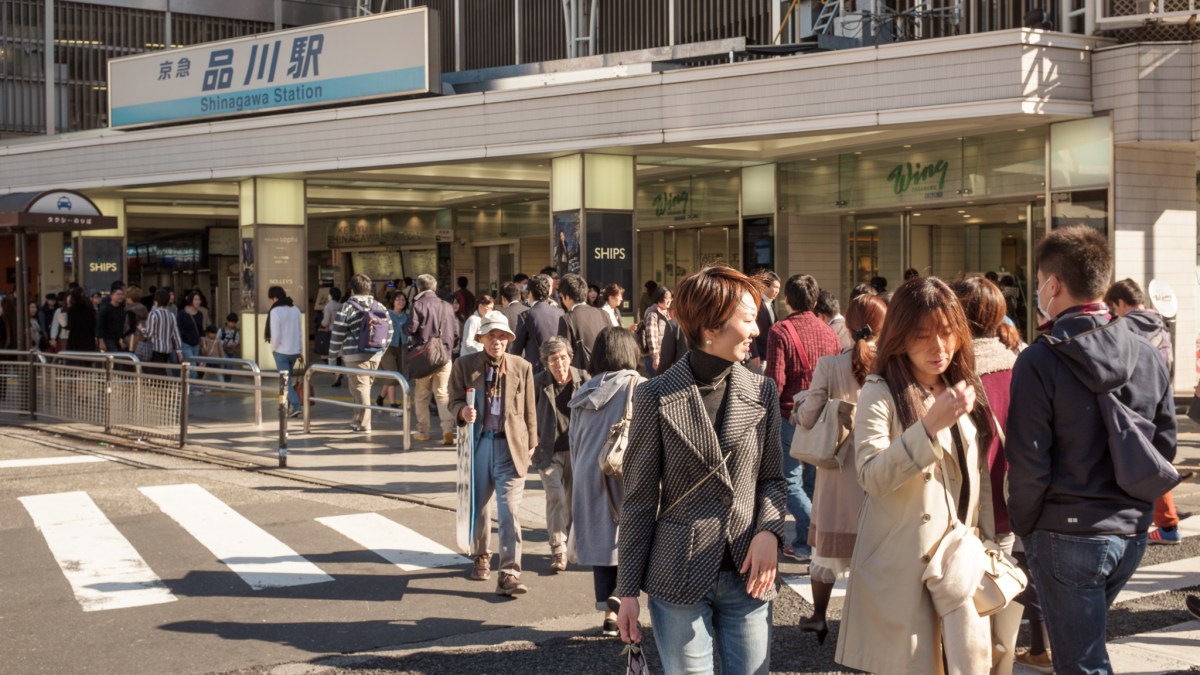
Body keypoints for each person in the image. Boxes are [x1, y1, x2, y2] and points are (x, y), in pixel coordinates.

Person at [1007, 226, 1176, 674]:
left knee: (1081, 662)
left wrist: (1024, 526)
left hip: (1066, 531)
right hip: (1130, 531)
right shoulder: (1146, 353)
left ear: (1053, 285)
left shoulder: (1040, 359)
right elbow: (1164, 443)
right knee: (1087, 650)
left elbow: (1028, 462)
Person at [615, 265, 788, 675]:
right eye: (749, 320)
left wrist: (769, 532)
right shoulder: (655, 394)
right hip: (676, 574)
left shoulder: (762, 390)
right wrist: (627, 593)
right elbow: (639, 499)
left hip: (749, 571)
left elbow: (772, 478)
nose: (757, 331)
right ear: (711, 327)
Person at [835, 276, 995, 674]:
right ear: (900, 337)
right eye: (923, 336)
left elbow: (978, 477)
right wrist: (927, 427)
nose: (938, 347)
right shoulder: (880, 391)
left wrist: (989, 541)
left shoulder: (961, 387)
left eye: (946, 333)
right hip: (902, 568)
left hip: (957, 564)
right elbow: (871, 475)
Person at [791, 293, 886, 645]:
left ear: (846, 324)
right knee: (876, 548)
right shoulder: (894, 364)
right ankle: (869, 626)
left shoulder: (829, 366)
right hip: (880, 469)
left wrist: (797, 411)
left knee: (827, 552)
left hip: (838, 470)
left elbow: (809, 415)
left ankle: (818, 617)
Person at [951, 275, 1024, 674]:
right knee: (1003, 585)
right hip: (1012, 498)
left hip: (965, 507)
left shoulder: (955, 371)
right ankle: (1003, 663)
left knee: (962, 603)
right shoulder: (1021, 363)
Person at [447, 311, 537, 596]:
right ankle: (481, 555)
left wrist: (532, 442)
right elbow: (452, 400)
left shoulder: (522, 366)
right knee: (480, 506)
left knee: (509, 510)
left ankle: (509, 572)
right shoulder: (464, 365)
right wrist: (462, 410)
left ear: (509, 340)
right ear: (481, 338)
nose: (496, 341)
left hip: (511, 446)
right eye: (491, 336)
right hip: (479, 443)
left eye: (501, 337)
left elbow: (530, 410)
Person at [568, 327, 644, 637]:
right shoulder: (637, 386)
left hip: (588, 472)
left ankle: (611, 613)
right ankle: (622, 594)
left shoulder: (583, 390)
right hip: (621, 470)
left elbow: (574, 439)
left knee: (604, 538)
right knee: (629, 534)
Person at [765, 274, 841, 562]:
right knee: (811, 482)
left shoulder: (780, 331)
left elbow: (775, 381)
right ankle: (806, 544)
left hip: (790, 415)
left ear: (787, 300)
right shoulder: (829, 333)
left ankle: (814, 537)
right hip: (822, 417)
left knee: (789, 481)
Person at [1105, 277, 1182, 546]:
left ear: (1122, 303)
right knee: (1156, 459)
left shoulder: (1123, 327)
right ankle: (1166, 523)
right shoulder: (1162, 323)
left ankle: (1167, 523)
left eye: (1114, 307)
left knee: (1138, 462)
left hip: (1132, 401)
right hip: (1159, 395)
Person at [532, 336, 588, 576]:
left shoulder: (584, 379)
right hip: (548, 451)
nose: (559, 364)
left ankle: (573, 543)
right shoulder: (538, 383)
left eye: (563, 358)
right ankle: (558, 548)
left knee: (574, 500)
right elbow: (527, 413)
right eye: (553, 360)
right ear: (546, 362)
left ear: (570, 358)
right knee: (555, 496)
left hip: (577, 450)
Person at [330, 274, 393, 433]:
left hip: (354, 355)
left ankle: (365, 424)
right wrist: (381, 351)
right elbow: (390, 330)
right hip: (375, 354)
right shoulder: (380, 306)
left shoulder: (347, 307)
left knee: (360, 388)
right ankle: (357, 420)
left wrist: (332, 359)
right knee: (359, 387)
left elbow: (337, 335)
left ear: (352, 290)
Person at [406, 274, 459, 444]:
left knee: (421, 395)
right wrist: (447, 349)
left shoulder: (418, 304)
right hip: (444, 356)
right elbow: (456, 333)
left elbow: (411, 328)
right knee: (442, 393)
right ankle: (447, 430)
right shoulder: (446, 306)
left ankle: (423, 431)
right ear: (434, 287)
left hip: (425, 357)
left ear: (418, 287)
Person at [511, 274, 563, 373]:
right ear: (549, 292)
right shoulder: (560, 313)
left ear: (530, 293)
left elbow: (516, 349)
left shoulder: (526, 315)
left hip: (535, 370)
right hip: (559, 367)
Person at [557, 274, 609, 372]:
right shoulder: (604, 314)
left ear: (566, 297)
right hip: (607, 372)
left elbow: (564, 353)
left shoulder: (567, 319)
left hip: (583, 376)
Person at [265, 286, 304, 417]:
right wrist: (300, 350)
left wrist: (273, 348)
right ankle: (283, 406)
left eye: (272, 299)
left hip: (281, 351)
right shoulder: (296, 310)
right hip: (294, 351)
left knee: (285, 381)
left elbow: (275, 335)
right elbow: (299, 333)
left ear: (274, 298)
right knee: (286, 380)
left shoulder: (275, 311)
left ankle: (297, 406)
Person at [377, 291, 409, 411]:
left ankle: (380, 399)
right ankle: (393, 406)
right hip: (387, 349)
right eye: (398, 299)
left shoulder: (407, 316)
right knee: (393, 376)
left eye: (403, 300)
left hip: (402, 347)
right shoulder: (386, 315)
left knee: (395, 376)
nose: (401, 302)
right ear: (393, 302)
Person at [141, 288, 182, 365]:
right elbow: (176, 334)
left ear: (156, 301)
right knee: (161, 370)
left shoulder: (153, 314)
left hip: (156, 348)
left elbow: (149, 334)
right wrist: (179, 351)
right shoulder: (172, 315)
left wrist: (141, 329)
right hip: (168, 349)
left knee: (158, 373)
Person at [749, 270, 780, 369]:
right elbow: (750, 330)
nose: (777, 291)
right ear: (765, 286)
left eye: (779, 288)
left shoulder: (770, 304)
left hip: (770, 355)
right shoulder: (756, 303)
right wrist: (754, 353)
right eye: (775, 287)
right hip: (759, 356)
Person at [640, 286, 672, 375]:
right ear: (659, 298)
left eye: (671, 298)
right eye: (666, 298)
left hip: (663, 356)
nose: (669, 301)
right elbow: (651, 336)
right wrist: (655, 357)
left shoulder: (665, 312)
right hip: (655, 358)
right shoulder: (653, 313)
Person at [320, 287, 345, 387]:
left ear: (331, 295)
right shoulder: (342, 306)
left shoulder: (328, 306)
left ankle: (337, 373)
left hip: (331, 333)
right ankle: (337, 376)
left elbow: (325, 322)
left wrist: (321, 324)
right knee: (338, 356)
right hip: (342, 333)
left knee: (328, 356)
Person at [177, 291, 205, 375]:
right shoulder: (182, 313)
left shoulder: (200, 314)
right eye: (195, 299)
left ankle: (189, 386)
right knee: (192, 367)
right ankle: (193, 387)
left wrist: (203, 344)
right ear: (190, 300)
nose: (198, 301)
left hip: (196, 344)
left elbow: (201, 330)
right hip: (185, 344)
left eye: (199, 299)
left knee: (193, 366)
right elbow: (178, 329)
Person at [96, 286, 127, 353]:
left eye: (122, 294)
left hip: (119, 339)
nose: (120, 296)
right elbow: (100, 325)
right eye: (118, 294)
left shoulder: (123, 309)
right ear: (111, 296)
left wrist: (121, 338)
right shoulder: (105, 308)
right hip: (108, 339)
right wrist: (101, 341)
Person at [67, 286, 98, 352]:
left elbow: (70, 324)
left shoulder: (72, 309)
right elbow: (94, 322)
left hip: (75, 338)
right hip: (88, 336)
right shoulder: (89, 308)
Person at [216, 313, 240, 382]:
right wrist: (225, 343)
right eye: (231, 322)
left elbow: (237, 340)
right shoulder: (222, 330)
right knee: (226, 365)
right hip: (223, 350)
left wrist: (234, 343)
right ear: (227, 321)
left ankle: (228, 381)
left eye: (234, 323)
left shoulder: (236, 331)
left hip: (231, 351)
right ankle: (225, 382)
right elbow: (217, 339)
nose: (233, 324)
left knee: (230, 366)